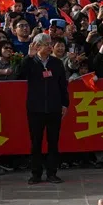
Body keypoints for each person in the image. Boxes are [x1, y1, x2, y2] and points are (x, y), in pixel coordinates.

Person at [20, 34, 69, 185]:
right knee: (36, 142)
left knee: (53, 142)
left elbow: (62, 85)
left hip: (54, 108)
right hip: (36, 109)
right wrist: (28, 57)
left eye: (50, 43)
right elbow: (19, 74)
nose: (50, 46)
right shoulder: (30, 62)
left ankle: (52, 173)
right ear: (37, 45)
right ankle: (36, 174)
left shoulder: (56, 63)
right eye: (46, 44)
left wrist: (65, 104)